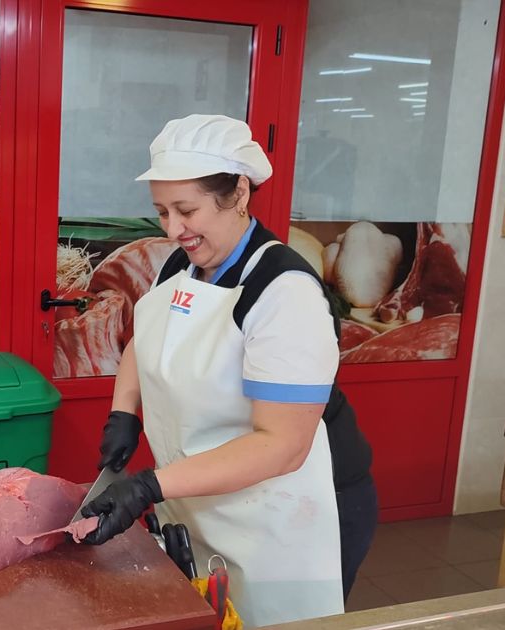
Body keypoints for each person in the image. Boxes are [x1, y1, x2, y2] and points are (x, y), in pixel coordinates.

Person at [79, 114, 377, 627]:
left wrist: (150, 486)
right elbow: (143, 343)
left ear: (238, 193)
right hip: (202, 503)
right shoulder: (183, 266)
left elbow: (282, 444)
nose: (173, 229)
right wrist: (123, 413)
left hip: (284, 517)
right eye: (161, 212)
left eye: (186, 210)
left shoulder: (284, 291)